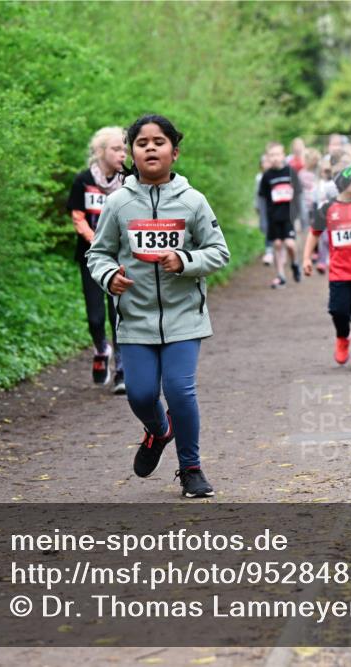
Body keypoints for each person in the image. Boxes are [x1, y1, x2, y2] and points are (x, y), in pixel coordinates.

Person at [87, 113, 229, 499]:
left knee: (180, 391)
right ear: (132, 154)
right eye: (142, 143)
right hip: (135, 318)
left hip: (184, 317)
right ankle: (159, 430)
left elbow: (219, 251)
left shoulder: (193, 201)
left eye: (159, 141)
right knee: (140, 394)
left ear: (174, 152)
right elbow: (97, 254)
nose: (150, 148)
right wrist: (108, 276)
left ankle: (191, 469)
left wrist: (184, 260)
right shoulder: (118, 203)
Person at [302, 163, 351, 371]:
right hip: (339, 272)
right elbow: (314, 233)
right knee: (338, 311)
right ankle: (342, 337)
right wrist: (307, 258)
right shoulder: (327, 209)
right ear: (345, 184)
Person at [68, 126, 128, 394]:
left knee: (119, 315)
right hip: (90, 257)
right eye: (116, 149)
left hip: (121, 259)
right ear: (100, 151)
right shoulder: (83, 180)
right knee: (95, 318)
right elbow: (78, 217)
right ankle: (102, 349)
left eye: (124, 149)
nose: (122, 154)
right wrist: (98, 242)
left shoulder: (129, 181)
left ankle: (122, 372)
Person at [258, 142, 302, 288]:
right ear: (268, 157)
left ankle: (295, 263)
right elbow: (263, 198)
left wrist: (298, 216)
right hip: (273, 217)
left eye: (277, 154)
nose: (275, 158)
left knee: (290, 244)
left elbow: (298, 194)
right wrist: (263, 219)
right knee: (277, 244)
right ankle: (280, 276)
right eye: (272, 155)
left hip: (289, 216)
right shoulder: (267, 176)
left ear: (283, 155)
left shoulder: (291, 172)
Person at [254, 152, 274, 266]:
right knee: (266, 227)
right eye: (264, 162)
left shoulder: (275, 175)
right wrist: (256, 206)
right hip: (264, 205)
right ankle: (269, 250)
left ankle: (271, 250)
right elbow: (257, 194)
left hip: (275, 206)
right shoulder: (259, 178)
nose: (266, 164)